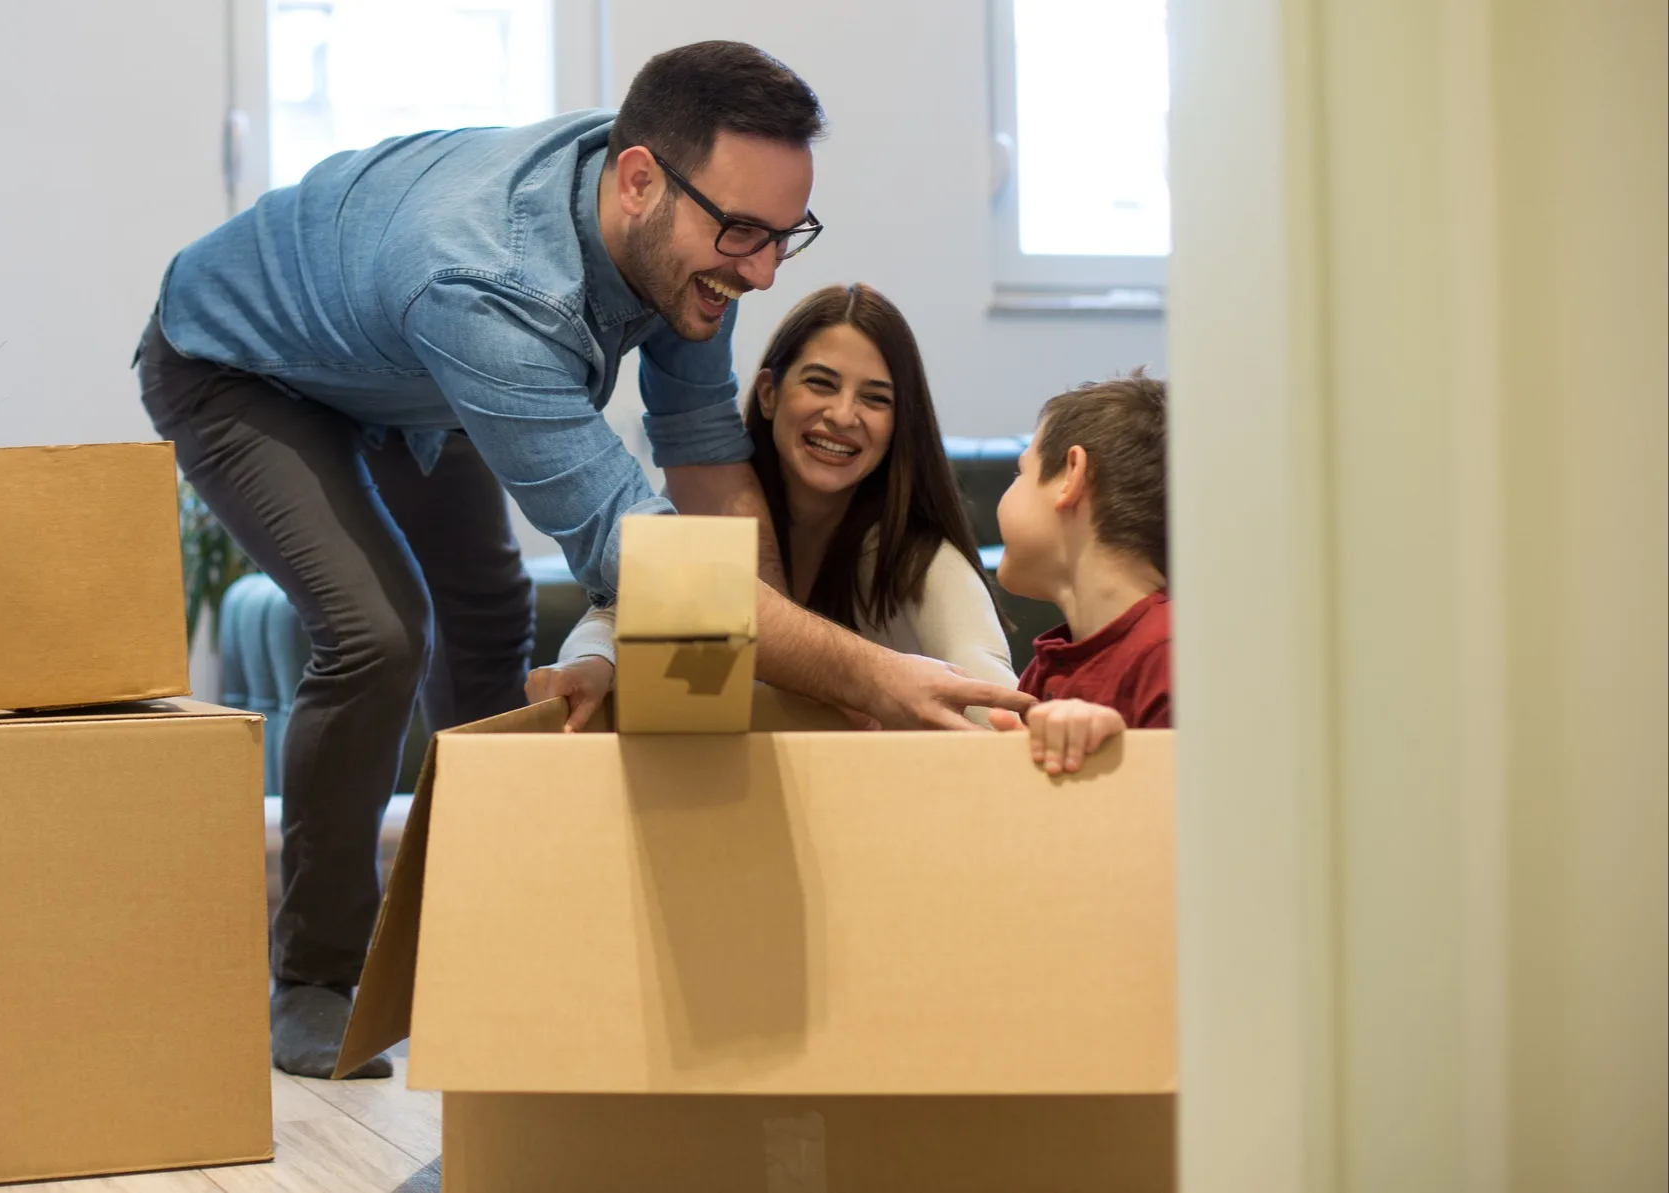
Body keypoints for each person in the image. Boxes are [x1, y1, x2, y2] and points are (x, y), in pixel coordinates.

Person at [136, 40, 1034, 1080]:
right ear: (640, 178)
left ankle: (485, 932)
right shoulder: (489, 289)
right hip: (243, 364)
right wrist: (873, 674)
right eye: (743, 233)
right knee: (378, 631)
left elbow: (701, 442)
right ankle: (317, 976)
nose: (761, 273)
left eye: (786, 238)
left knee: (488, 619)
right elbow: (649, 559)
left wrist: (774, 690)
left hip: (404, 367)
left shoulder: (685, 243)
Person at [527, 283, 1016, 729]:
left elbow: (984, 671)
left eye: (875, 399)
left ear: (898, 425)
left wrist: (1012, 723)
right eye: (821, 384)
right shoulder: (704, 507)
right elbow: (617, 616)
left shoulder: (915, 556)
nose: (843, 415)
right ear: (768, 394)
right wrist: (591, 663)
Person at [984, 372, 1172, 774]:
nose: (1011, 490)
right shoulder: (1046, 670)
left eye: (1022, 474)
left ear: (1072, 475)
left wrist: (1121, 756)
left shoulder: (1170, 655)